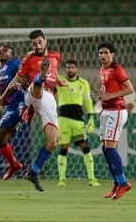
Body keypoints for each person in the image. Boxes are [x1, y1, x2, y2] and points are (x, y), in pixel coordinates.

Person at [0, 29, 67, 192]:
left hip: (49, 99)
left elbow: (55, 73)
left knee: (52, 142)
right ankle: (37, 83)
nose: (37, 45)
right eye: (34, 43)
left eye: (39, 42)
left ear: (45, 41)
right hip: (32, 92)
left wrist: (59, 81)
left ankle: (33, 172)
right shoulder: (28, 60)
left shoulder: (55, 56)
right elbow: (17, 78)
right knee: (37, 86)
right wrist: (5, 96)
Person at [95, 42, 133, 200]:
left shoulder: (117, 69)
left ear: (112, 54)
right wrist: (103, 104)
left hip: (117, 112)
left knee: (110, 148)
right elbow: (108, 91)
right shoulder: (102, 70)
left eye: (105, 52)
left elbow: (130, 89)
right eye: (100, 53)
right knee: (105, 149)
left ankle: (124, 183)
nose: (102, 55)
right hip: (107, 111)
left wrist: (109, 98)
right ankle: (117, 183)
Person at [57, 59, 100, 187]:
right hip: (63, 119)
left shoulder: (83, 83)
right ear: (65, 69)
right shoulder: (60, 81)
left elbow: (87, 102)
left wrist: (91, 118)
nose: (70, 70)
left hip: (78, 120)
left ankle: (92, 179)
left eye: (72, 67)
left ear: (76, 69)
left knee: (85, 147)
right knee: (63, 148)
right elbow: (50, 73)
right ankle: (62, 180)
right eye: (68, 68)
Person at [0, 45, 26, 180]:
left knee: (22, 112)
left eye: (4, 50)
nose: (0, 51)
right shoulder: (0, 69)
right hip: (9, 107)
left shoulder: (14, 63)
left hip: (20, 101)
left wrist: (24, 87)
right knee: (0, 141)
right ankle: (14, 165)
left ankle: (26, 113)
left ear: (11, 55)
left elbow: (24, 76)